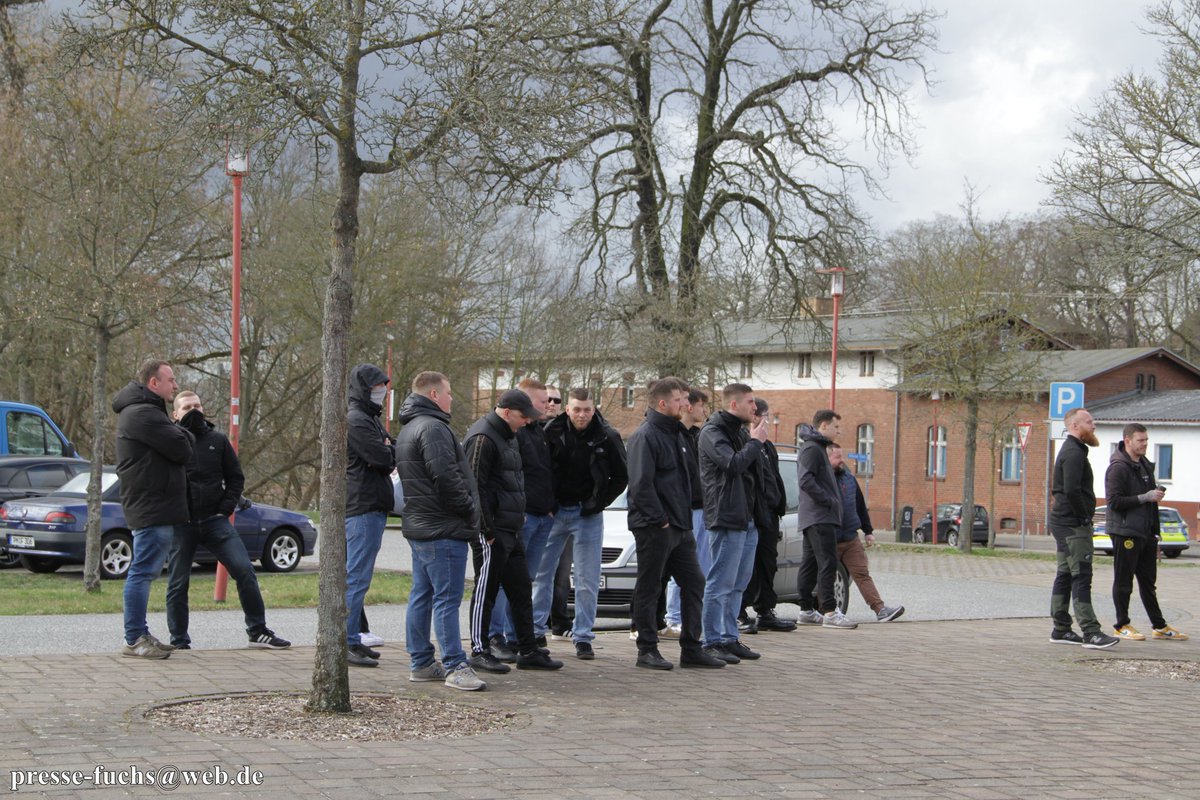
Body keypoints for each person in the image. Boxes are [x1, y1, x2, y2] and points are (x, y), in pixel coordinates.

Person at [165, 392, 290, 650]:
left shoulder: (218, 441)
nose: (194, 410)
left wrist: (225, 507)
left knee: (245, 570)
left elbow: (236, 478)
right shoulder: (169, 442)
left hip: (215, 521)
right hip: (182, 524)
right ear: (175, 414)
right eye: (187, 407)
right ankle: (179, 640)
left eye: (197, 405)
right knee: (178, 582)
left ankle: (257, 630)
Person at [394, 371, 487, 690]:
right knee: (446, 599)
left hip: (422, 526)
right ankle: (455, 665)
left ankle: (420, 662)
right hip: (443, 527)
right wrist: (469, 508)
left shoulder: (409, 429)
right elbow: (446, 478)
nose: (451, 399)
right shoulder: (434, 428)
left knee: (422, 594)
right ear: (434, 394)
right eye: (448, 393)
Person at [626, 378, 726, 670]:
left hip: (681, 528)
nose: (686, 403)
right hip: (655, 527)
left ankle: (692, 648)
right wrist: (661, 521)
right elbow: (641, 485)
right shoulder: (646, 436)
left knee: (694, 582)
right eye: (681, 399)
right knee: (650, 586)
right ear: (663, 403)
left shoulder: (679, 435)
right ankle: (647, 649)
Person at [463, 390, 563, 673]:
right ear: (506, 412)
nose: (525, 422)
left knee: (520, 589)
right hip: (493, 530)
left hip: (512, 527)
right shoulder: (483, 437)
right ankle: (479, 649)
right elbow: (475, 487)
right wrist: (485, 528)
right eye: (522, 417)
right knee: (487, 590)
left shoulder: (509, 436)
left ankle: (528, 647)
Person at [531, 388, 628, 660]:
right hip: (555, 512)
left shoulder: (607, 436)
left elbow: (621, 477)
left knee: (587, 579)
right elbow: (539, 472)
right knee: (542, 574)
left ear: (593, 409)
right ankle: (536, 630)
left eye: (587, 409)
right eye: (576, 409)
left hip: (588, 515)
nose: (582, 414)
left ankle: (583, 635)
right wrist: (546, 505)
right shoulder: (550, 432)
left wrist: (597, 504)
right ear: (568, 410)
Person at [113, 360, 194, 659]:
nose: (175, 385)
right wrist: (182, 433)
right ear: (153, 383)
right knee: (142, 573)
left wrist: (178, 432)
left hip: (155, 506)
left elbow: (179, 443)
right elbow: (184, 448)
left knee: (145, 572)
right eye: (171, 380)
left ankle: (139, 633)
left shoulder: (148, 411)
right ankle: (134, 638)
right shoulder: (143, 414)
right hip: (151, 507)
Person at [489, 378, 558, 661]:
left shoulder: (538, 432)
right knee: (506, 581)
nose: (549, 406)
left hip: (543, 515)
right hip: (523, 517)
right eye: (543, 401)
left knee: (524, 582)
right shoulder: (511, 434)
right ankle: (496, 636)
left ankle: (518, 635)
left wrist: (550, 506)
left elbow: (545, 471)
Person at [698, 383, 767, 664]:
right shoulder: (713, 432)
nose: (756, 407)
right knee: (720, 582)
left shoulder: (739, 432)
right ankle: (711, 640)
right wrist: (756, 442)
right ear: (734, 404)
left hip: (746, 518)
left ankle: (729, 637)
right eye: (750, 402)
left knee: (738, 583)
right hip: (726, 516)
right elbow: (733, 464)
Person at [1104, 423, 1188, 642]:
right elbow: (1114, 502)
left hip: (1146, 533)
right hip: (1125, 533)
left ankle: (1159, 626)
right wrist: (1146, 497)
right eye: (1141, 440)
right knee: (1124, 581)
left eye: (1147, 440)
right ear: (1128, 440)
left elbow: (1149, 500)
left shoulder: (1143, 465)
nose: (1145, 445)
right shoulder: (1118, 467)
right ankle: (1121, 624)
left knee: (1148, 581)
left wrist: (1154, 527)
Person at [1049, 407, 1119, 649]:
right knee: (1081, 575)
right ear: (1075, 426)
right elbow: (1071, 490)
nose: (1094, 426)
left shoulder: (1072, 450)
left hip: (1063, 521)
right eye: (1089, 422)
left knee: (1066, 573)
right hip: (1072, 524)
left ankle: (1061, 629)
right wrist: (1084, 516)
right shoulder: (1074, 453)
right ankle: (1091, 632)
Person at [343, 364, 395, 668]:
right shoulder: (357, 420)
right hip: (362, 506)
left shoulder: (369, 420)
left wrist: (389, 448)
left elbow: (393, 449)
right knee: (356, 578)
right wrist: (387, 450)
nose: (382, 391)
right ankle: (346, 641)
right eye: (377, 386)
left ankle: (353, 637)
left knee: (358, 577)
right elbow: (381, 456)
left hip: (370, 505)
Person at [828, 444, 904, 623]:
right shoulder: (824, 480)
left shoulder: (849, 479)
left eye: (842, 456)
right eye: (837, 457)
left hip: (850, 537)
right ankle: (825, 612)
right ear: (827, 459)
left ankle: (880, 610)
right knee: (826, 576)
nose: (842, 461)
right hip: (830, 537)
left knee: (862, 573)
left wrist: (868, 531)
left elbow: (860, 506)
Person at [795, 409, 856, 629]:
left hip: (816, 516)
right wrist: (829, 500)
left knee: (810, 563)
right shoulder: (812, 449)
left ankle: (806, 610)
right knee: (828, 562)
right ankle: (829, 611)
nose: (839, 431)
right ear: (823, 426)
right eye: (836, 427)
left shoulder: (817, 448)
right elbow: (805, 480)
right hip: (820, 516)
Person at [739, 398, 795, 633]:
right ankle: (739, 611)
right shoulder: (745, 443)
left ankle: (765, 610)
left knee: (768, 564)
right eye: (765, 416)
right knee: (746, 567)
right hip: (754, 514)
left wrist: (779, 505)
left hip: (771, 515)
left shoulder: (768, 447)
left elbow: (773, 479)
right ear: (754, 417)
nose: (767, 421)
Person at [662, 388, 710, 638]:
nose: (705, 411)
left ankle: (689, 617)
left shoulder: (698, 436)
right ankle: (674, 617)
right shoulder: (677, 436)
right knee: (680, 566)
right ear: (690, 407)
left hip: (700, 507)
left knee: (699, 566)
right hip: (685, 509)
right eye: (702, 406)